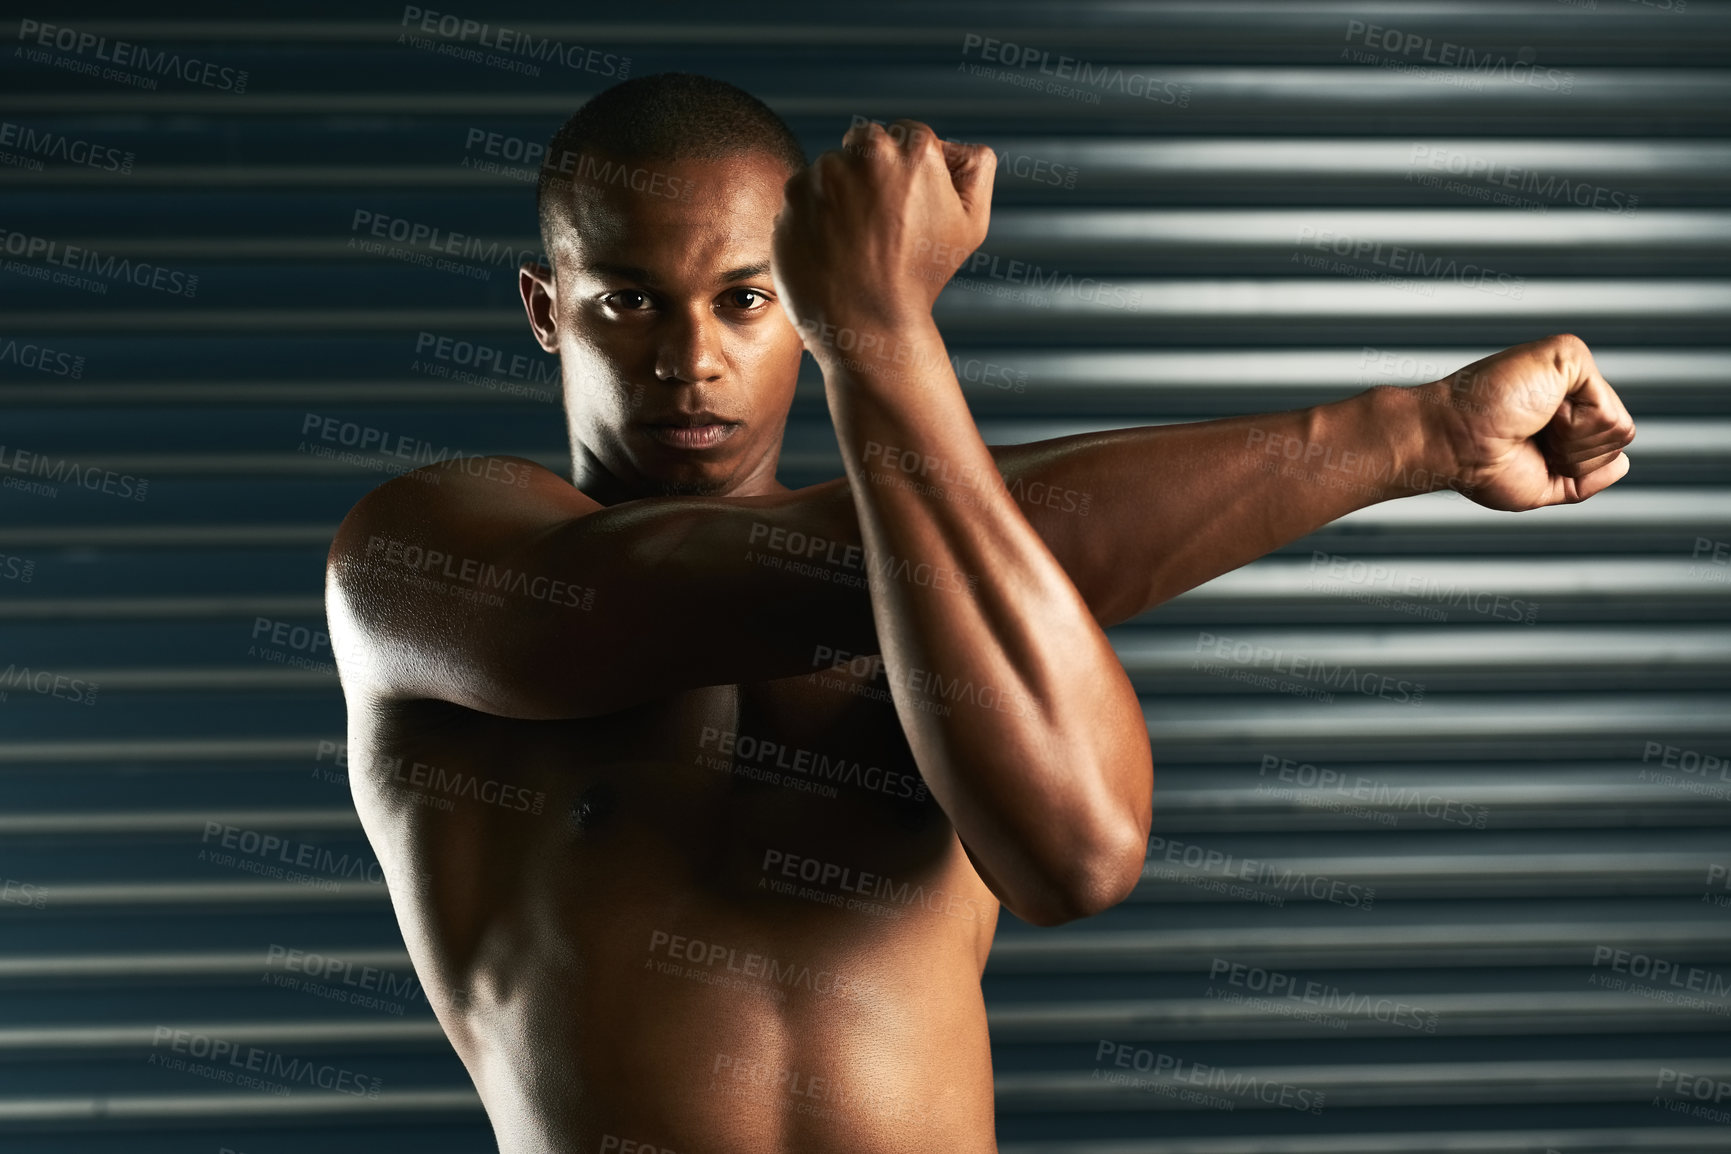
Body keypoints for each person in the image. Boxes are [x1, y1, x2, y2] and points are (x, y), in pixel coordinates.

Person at [325, 72, 1636, 1154]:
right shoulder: (429, 548)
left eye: (748, 297)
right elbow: (736, 582)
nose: (692, 359)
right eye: (629, 302)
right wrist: (1417, 432)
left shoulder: (955, 561)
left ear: (801, 301)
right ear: (544, 310)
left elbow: (1080, 854)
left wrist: (887, 347)